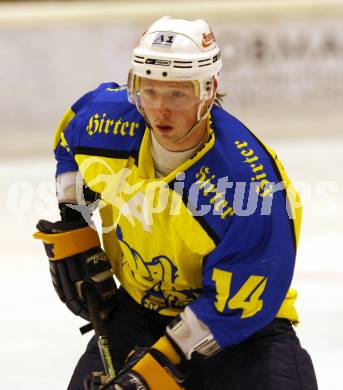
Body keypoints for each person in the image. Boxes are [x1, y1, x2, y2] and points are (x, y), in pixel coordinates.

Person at [34, 16, 318, 390]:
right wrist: (76, 225)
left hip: (243, 330)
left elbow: (240, 304)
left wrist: (157, 366)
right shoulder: (104, 121)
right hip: (141, 310)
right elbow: (70, 144)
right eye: (149, 91)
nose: (160, 109)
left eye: (178, 94)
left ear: (209, 90)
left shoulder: (248, 185)